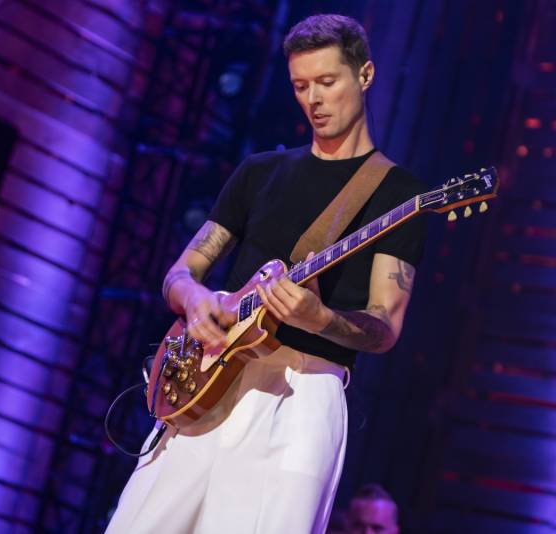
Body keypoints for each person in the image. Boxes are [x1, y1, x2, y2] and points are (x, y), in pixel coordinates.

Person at [105, 13, 426, 534]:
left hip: (301, 401)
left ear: (365, 74)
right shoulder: (259, 171)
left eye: (327, 81)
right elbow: (181, 272)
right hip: (208, 382)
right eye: (300, 86)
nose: (313, 99)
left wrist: (320, 318)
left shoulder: (398, 195)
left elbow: (384, 326)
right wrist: (194, 300)